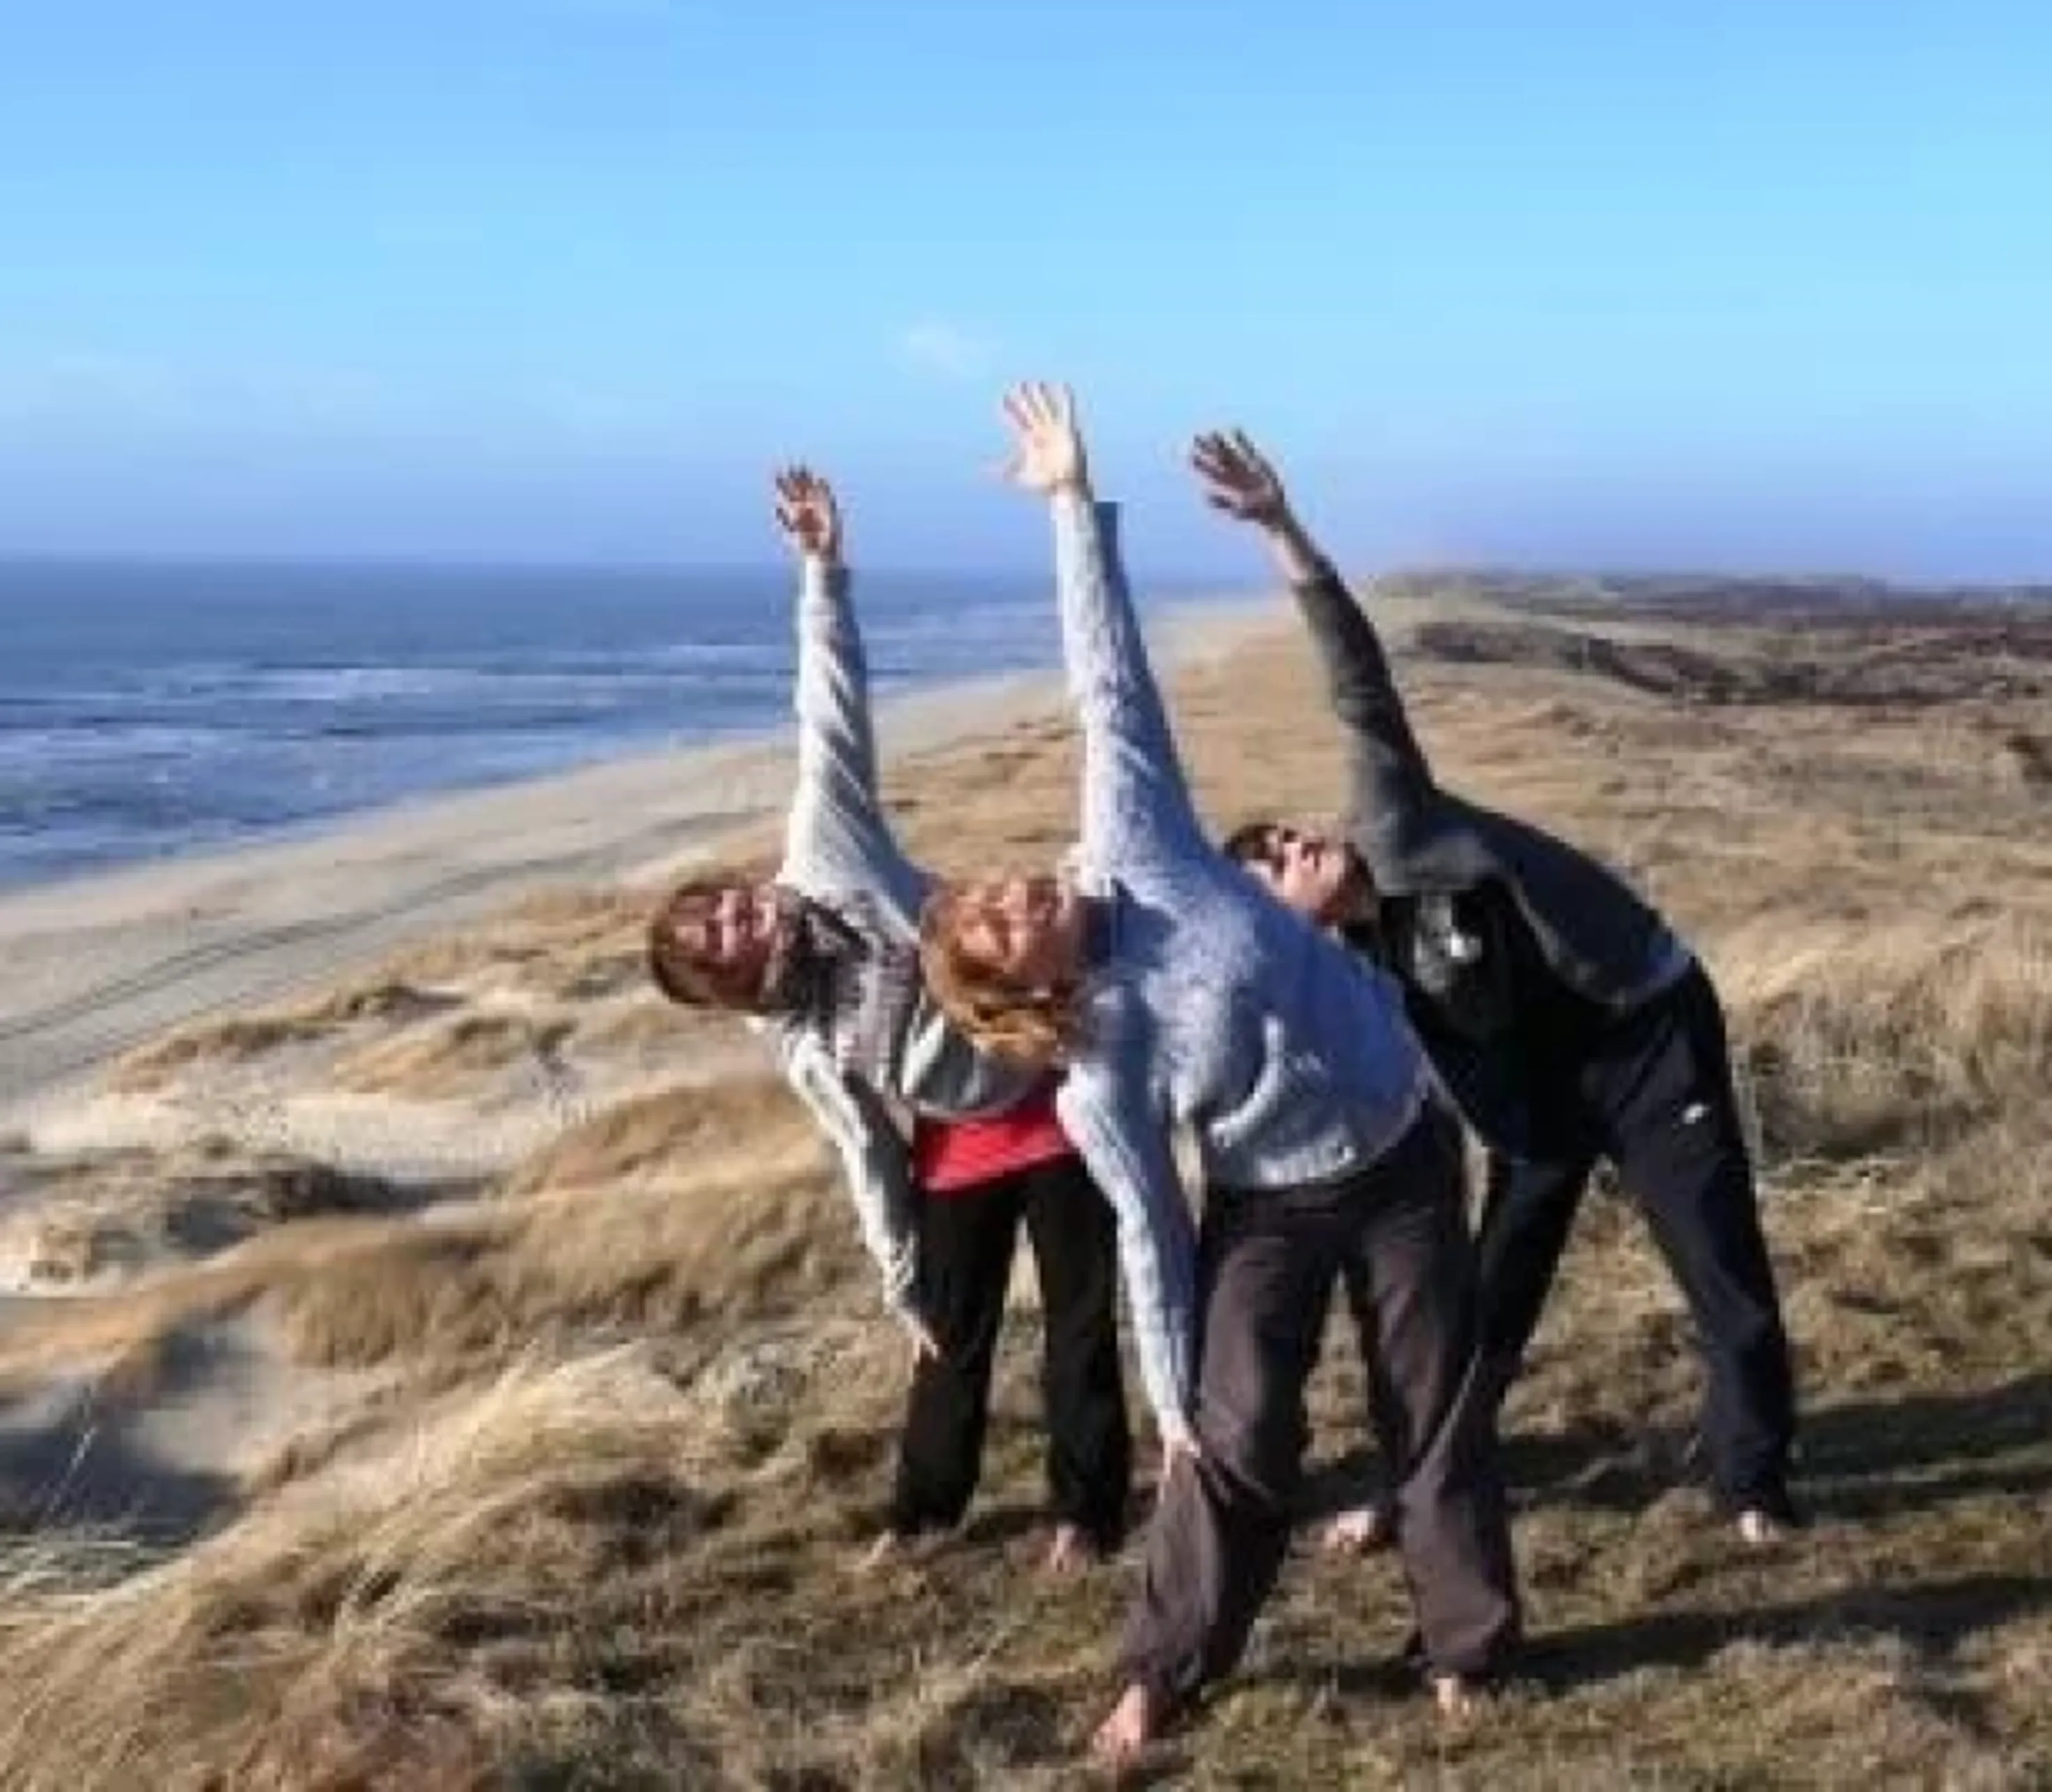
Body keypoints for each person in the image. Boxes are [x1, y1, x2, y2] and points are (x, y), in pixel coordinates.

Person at [915, 385, 1520, 1768]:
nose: (1012, 887)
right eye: (994, 922)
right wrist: (1174, 1399)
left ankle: (1468, 1644)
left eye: (997, 887)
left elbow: (1106, 678)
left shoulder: (1139, 845)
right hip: (1271, 1204)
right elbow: (1147, 1230)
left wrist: (1073, 505)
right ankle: (1164, 1670)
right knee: (1233, 1437)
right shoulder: (1093, 1070)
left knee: (1430, 1404)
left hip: (1405, 1148)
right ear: (1018, 988)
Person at [1191, 428, 1805, 1548]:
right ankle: (1415, 1488)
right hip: (1537, 1112)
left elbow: (1357, 684)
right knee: (1477, 1311)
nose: (1301, 843)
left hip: (1646, 1032)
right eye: (1277, 862)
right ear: (1279, 918)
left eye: (1285, 832)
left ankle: (1753, 1481)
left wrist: (1284, 530)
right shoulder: (1334, 979)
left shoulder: (1395, 827)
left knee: (1718, 1261)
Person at [645, 466, 1130, 1570]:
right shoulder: (800, 1041)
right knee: (946, 1347)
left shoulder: (826, 857)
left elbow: (829, 714)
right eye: (718, 937)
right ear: (733, 986)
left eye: (719, 902)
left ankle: (1086, 1515)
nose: (736, 913)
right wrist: (901, 1283)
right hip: (956, 1149)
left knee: (1079, 1328)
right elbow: (865, 1148)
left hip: (1053, 1094)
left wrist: (821, 571)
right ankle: (923, 1519)